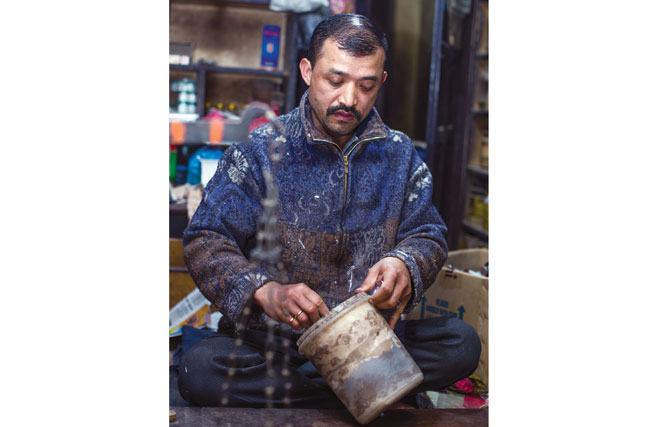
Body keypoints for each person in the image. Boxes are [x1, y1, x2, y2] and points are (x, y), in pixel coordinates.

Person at [179, 13, 481, 408]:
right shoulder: (259, 151)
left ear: (381, 83)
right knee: (200, 368)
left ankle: (336, 387)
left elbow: (428, 233)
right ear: (308, 71)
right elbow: (206, 239)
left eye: (366, 85)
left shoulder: (400, 154)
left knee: (462, 343)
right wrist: (264, 291)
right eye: (335, 81)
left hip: (370, 342)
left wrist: (405, 263)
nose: (349, 100)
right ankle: (359, 391)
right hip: (274, 343)